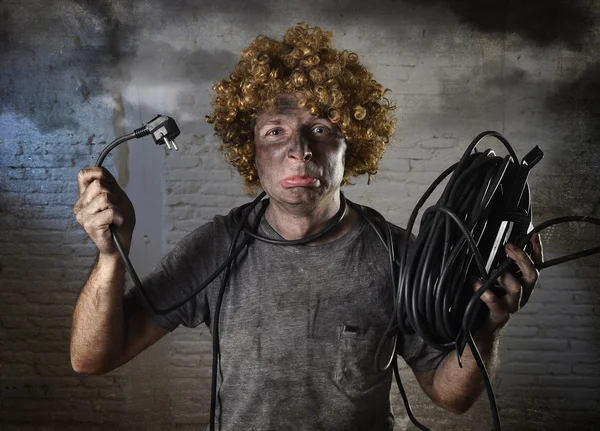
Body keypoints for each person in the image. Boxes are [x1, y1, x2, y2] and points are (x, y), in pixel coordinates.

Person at [71, 24, 543, 430]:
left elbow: (450, 395)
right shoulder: (218, 247)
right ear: (250, 152)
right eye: (275, 131)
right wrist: (111, 255)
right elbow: (92, 358)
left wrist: (487, 327)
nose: (299, 149)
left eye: (320, 128)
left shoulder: (401, 258)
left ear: (349, 145)